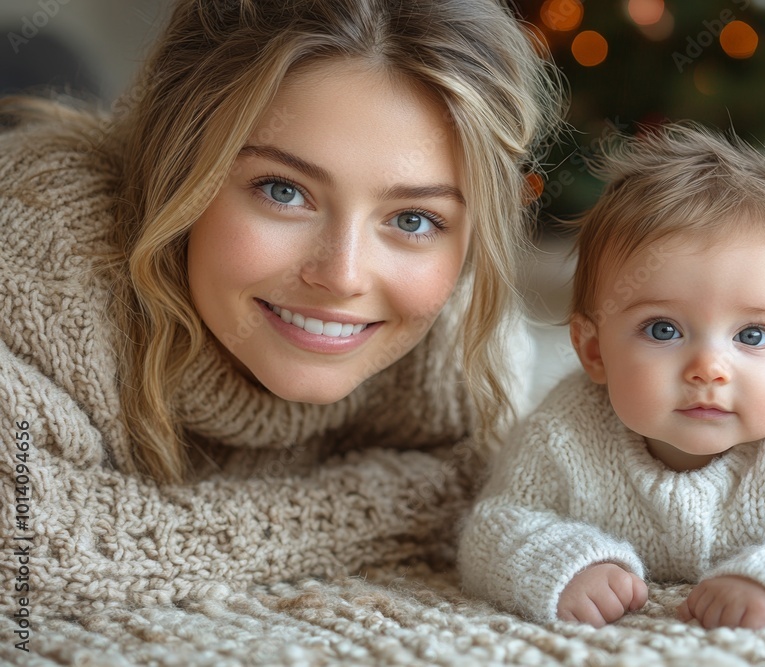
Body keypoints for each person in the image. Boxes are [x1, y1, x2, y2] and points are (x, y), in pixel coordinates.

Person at [0, 0, 563, 617]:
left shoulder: (454, 333)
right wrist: (379, 513)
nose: (342, 276)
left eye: (413, 219)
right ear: (176, 167)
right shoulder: (41, 245)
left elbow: (486, 481)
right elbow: (21, 544)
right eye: (284, 190)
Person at [457, 123, 765, 630]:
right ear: (593, 350)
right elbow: (496, 527)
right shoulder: (563, 432)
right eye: (664, 329)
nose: (708, 368)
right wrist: (569, 563)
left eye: (753, 336)